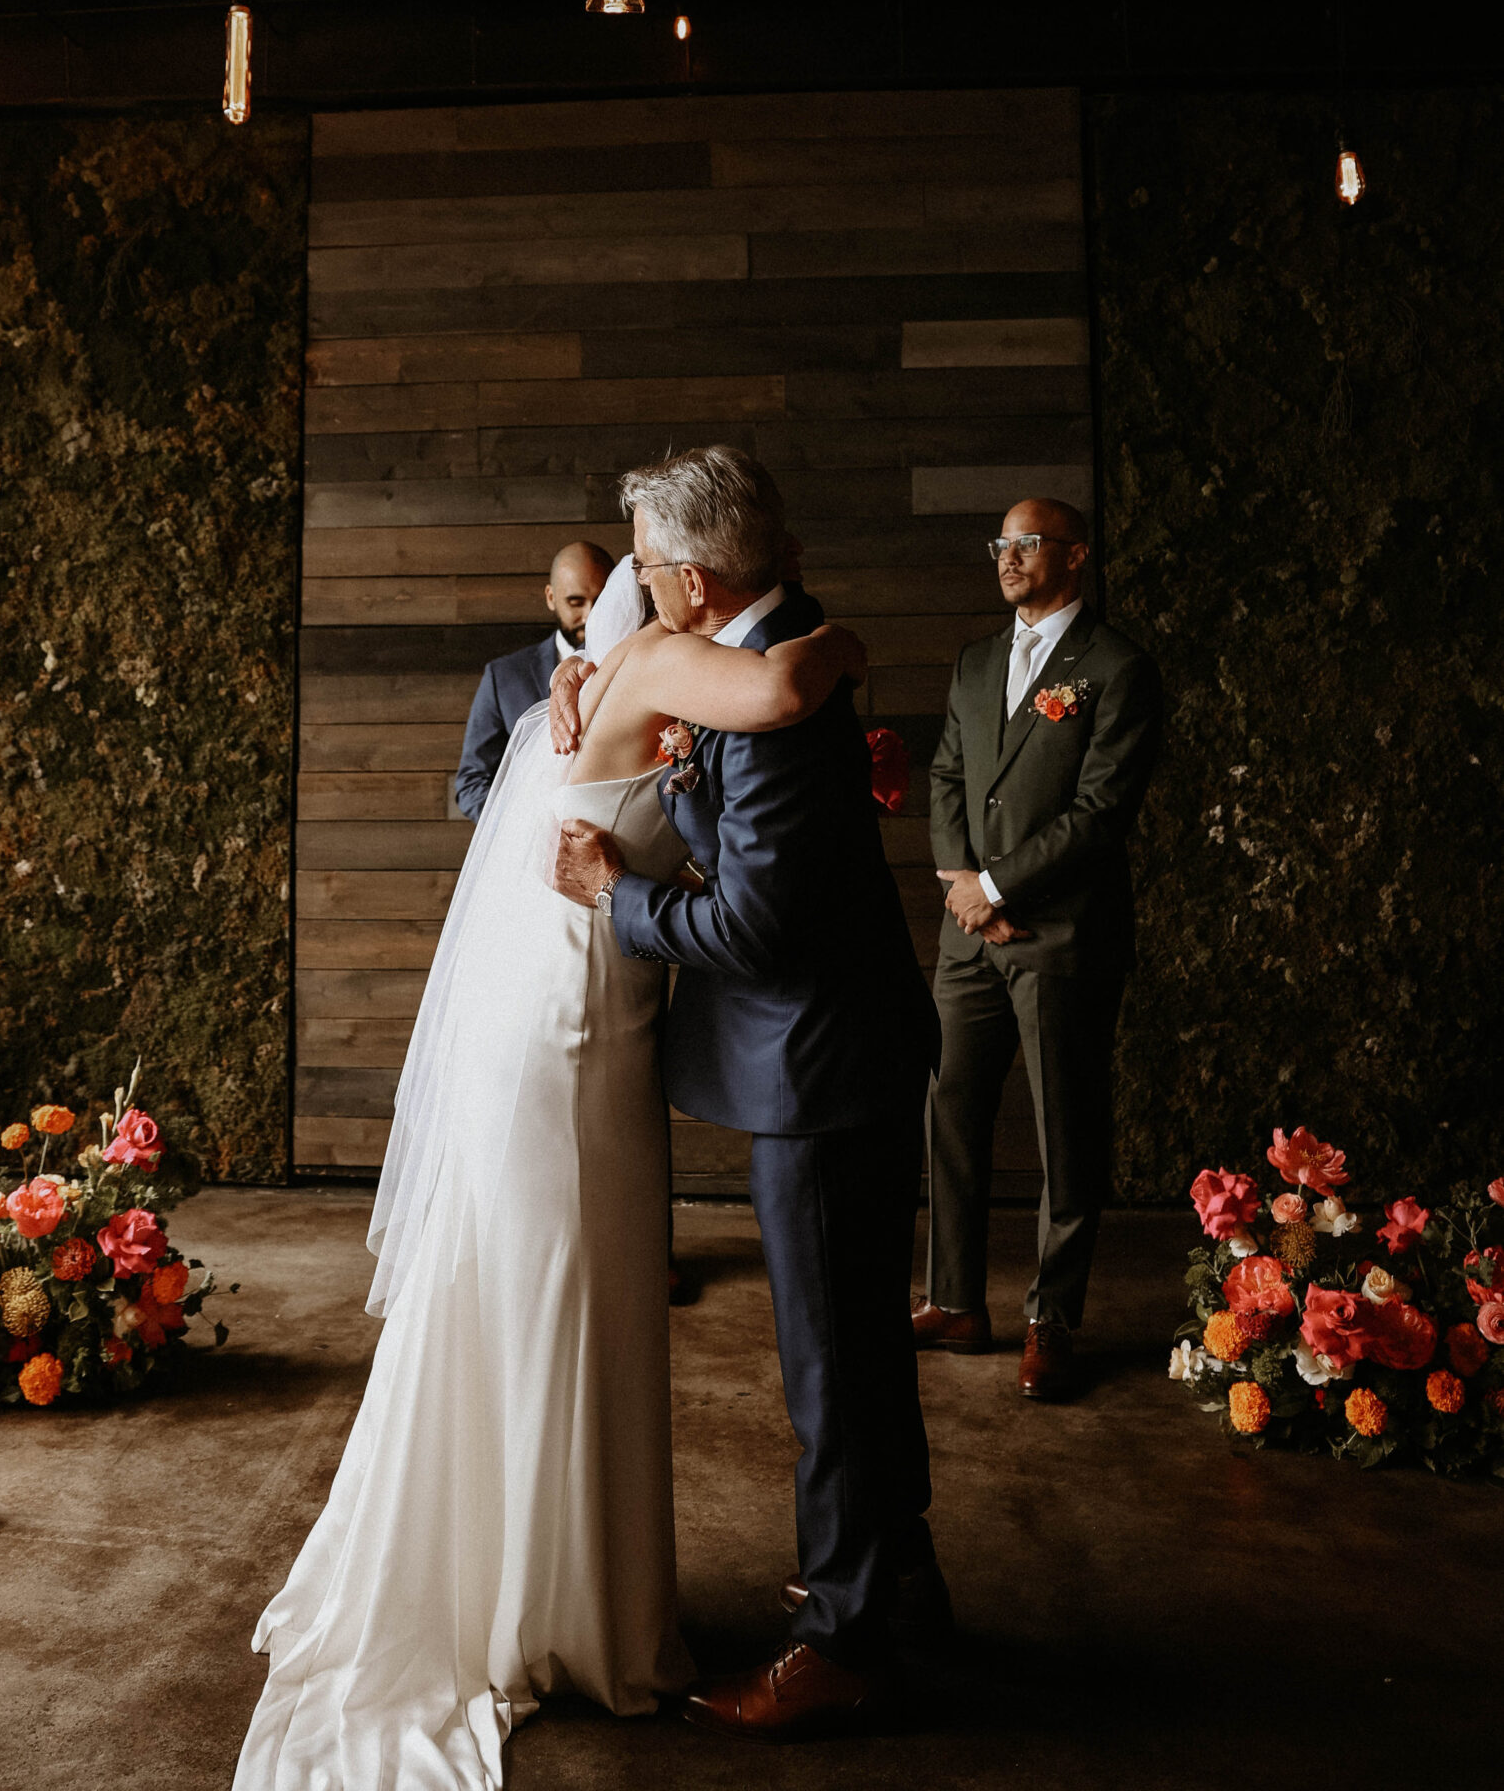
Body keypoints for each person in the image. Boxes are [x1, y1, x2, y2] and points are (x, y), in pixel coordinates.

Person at [232, 529, 869, 1791]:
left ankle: (580, 1594)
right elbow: (790, 689)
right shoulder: (656, 665)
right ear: (682, 586)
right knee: (556, 1295)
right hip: (566, 1032)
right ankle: (545, 1612)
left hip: (603, 1022)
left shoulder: (618, 671)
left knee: (598, 1302)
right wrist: (847, 639)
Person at [551, 446, 943, 1743]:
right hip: (847, 1061)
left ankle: (841, 1642)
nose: (643, 591)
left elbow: (759, 927)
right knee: (860, 1364)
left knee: (830, 1374)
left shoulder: (768, 687)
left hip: (818, 1080)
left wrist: (621, 896)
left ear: (698, 580)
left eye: (653, 571)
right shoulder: (781, 651)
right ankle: (896, 1593)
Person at [919, 498, 1163, 1401]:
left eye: (1028, 543)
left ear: (1075, 557)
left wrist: (998, 889)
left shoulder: (1117, 668)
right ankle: (954, 1302)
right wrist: (962, 888)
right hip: (968, 935)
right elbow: (946, 775)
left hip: (1061, 937)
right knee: (948, 1113)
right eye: (1000, 544)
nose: (1008, 557)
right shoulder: (977, 661)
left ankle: (1051, 1319)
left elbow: (1099, 815)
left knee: (1066, 1131)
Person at [452, 540, 614, 821]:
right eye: (575, 602)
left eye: (600, 602)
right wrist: (524, 830)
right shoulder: (503, 676)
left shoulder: (631, 666)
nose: (589, 616)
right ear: (551, 597)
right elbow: (472, 782)